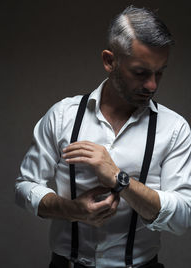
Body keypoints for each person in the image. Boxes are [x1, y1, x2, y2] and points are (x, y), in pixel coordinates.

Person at [15, 6, 191, 268]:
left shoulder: (175, 129)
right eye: (141, 72)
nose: (153, 85)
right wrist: (72, 210)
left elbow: (182, 218)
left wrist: (120, 179)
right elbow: (24, 186)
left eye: (160, 72)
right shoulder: (63, 116)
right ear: (110, 61)